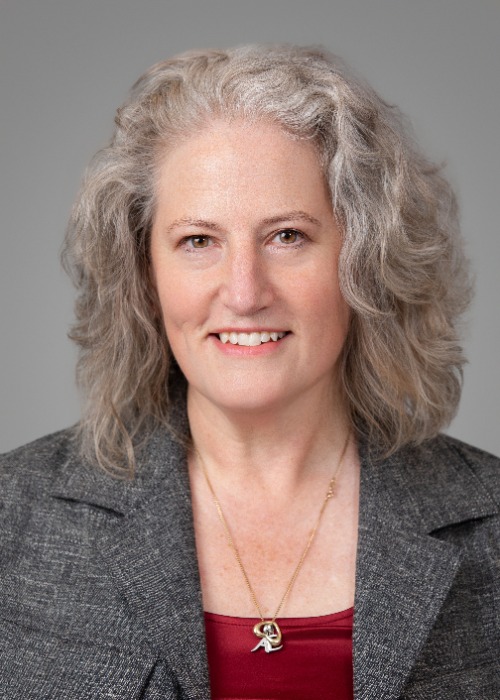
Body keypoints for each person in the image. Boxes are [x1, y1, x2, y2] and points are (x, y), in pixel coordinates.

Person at [0, 44, 498, 700]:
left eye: (287, 236)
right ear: (144, 275)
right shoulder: (13, 515)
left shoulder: (490, 521)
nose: (244, 292)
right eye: (198, 241)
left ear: (366, 259)